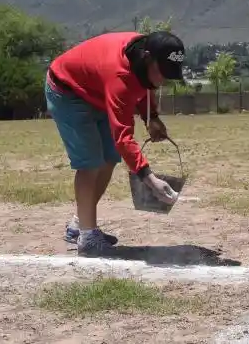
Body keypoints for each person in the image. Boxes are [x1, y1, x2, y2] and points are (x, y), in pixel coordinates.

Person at [44, 29, 186, 257]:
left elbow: (143, 85)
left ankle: (78, 226)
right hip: (68, 91)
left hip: (97, 91)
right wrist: (149, 179)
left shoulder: (142, 58)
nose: (163, 80)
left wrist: (152, 117)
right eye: (162, 72)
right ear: (147, 58)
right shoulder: (119, 74)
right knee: (89, 162)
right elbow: (123, 136)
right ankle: (88, 238)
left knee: (109, 157)